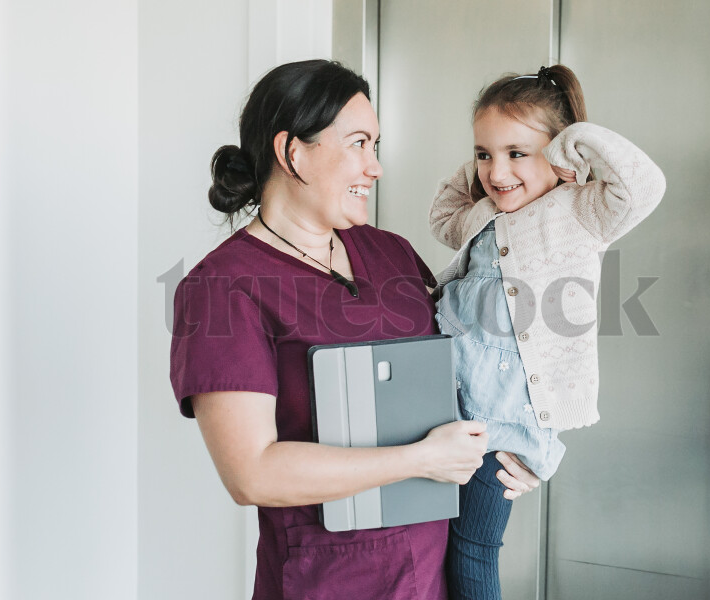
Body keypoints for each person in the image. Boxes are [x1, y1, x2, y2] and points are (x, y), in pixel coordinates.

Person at [169, 59, 540, 600]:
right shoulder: (222, 289)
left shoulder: (389, 253)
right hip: (328, 581)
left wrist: (513, 453)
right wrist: (420, 460)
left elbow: (469, 378)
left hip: (436, 573)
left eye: (377, 146)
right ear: (293, 153)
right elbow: (252, 473)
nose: (376, 167)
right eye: (359, 144)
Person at [428, 64, 666, 599]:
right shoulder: (485, 213)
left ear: (558, 152)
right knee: (431, 545)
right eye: (485, 153)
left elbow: (645, 185)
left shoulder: (581, 210)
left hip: (506, 426)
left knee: (473, 551)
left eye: (517, 153)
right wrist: (478, 169)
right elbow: (443, 216)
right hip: (449, 408)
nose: (497, 170)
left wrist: (576, 140)